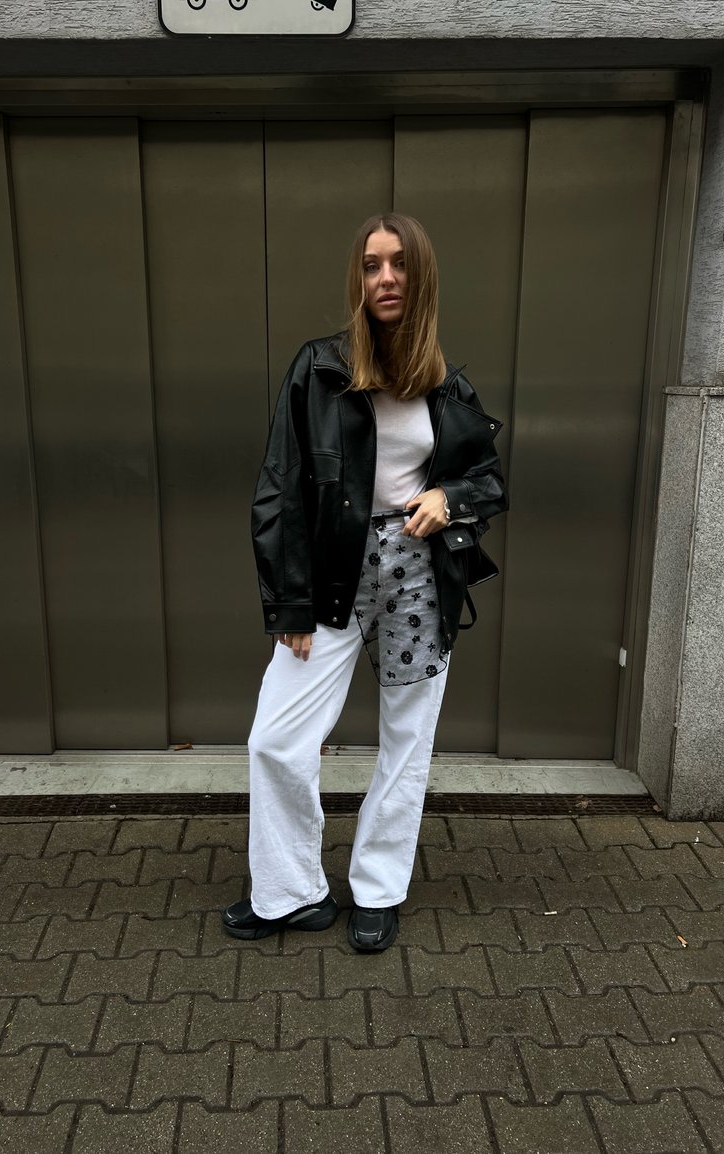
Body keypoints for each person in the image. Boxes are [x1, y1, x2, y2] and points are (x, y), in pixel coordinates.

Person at [222, 212, 508, 951]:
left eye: (400, 264)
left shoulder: (448, 386)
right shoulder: (319, 370)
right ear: (358, 278)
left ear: (421, 279)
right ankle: (290, 891)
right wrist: (285, 598)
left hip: (418, 577)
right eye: (373, 265)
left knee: (406, 741)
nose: (386, 278)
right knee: (276, 739)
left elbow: (486, 480)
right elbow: (280, 487)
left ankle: (378, 889)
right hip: (330, 575)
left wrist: (449, 500)